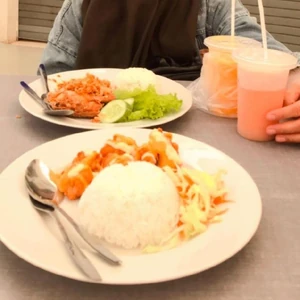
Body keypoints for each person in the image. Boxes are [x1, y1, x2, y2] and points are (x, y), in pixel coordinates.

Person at [41, 0, 300, 143]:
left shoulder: (212, 5)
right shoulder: (80, 5)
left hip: (193, 146)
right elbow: (50, 81)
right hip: (89, 142)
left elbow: (277, 58)